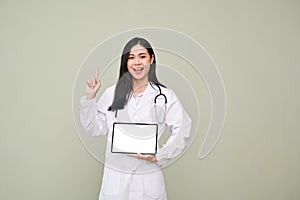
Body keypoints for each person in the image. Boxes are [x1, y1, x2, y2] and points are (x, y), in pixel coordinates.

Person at [80, 37, 191, 200]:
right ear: (125, 62)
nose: (137, 62)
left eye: (142, 56)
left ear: (151, 59)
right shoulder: (112, 93)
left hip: (148, 182)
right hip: (115, 184)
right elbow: (94, 128)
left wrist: (161, 155)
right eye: (131, 58)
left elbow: (183, 129)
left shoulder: (164, 96)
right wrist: (90, 98)